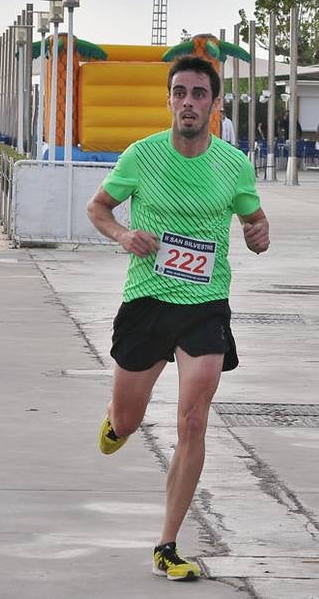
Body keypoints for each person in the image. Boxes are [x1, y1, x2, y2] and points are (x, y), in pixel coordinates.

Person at [86, 55, 269, 582]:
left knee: (192, 418)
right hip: (147, 302)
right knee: (128, 420)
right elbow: (99, 208)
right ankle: (117, 424)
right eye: (180, 93)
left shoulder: (233, 165)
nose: (188, 102)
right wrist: (123, 235)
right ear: (169, 100)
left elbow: (255, 220)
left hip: (206, 305)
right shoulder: (142, 156)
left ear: (213, 105)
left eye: (199, 94)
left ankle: (167, 544)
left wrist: (260, 234)